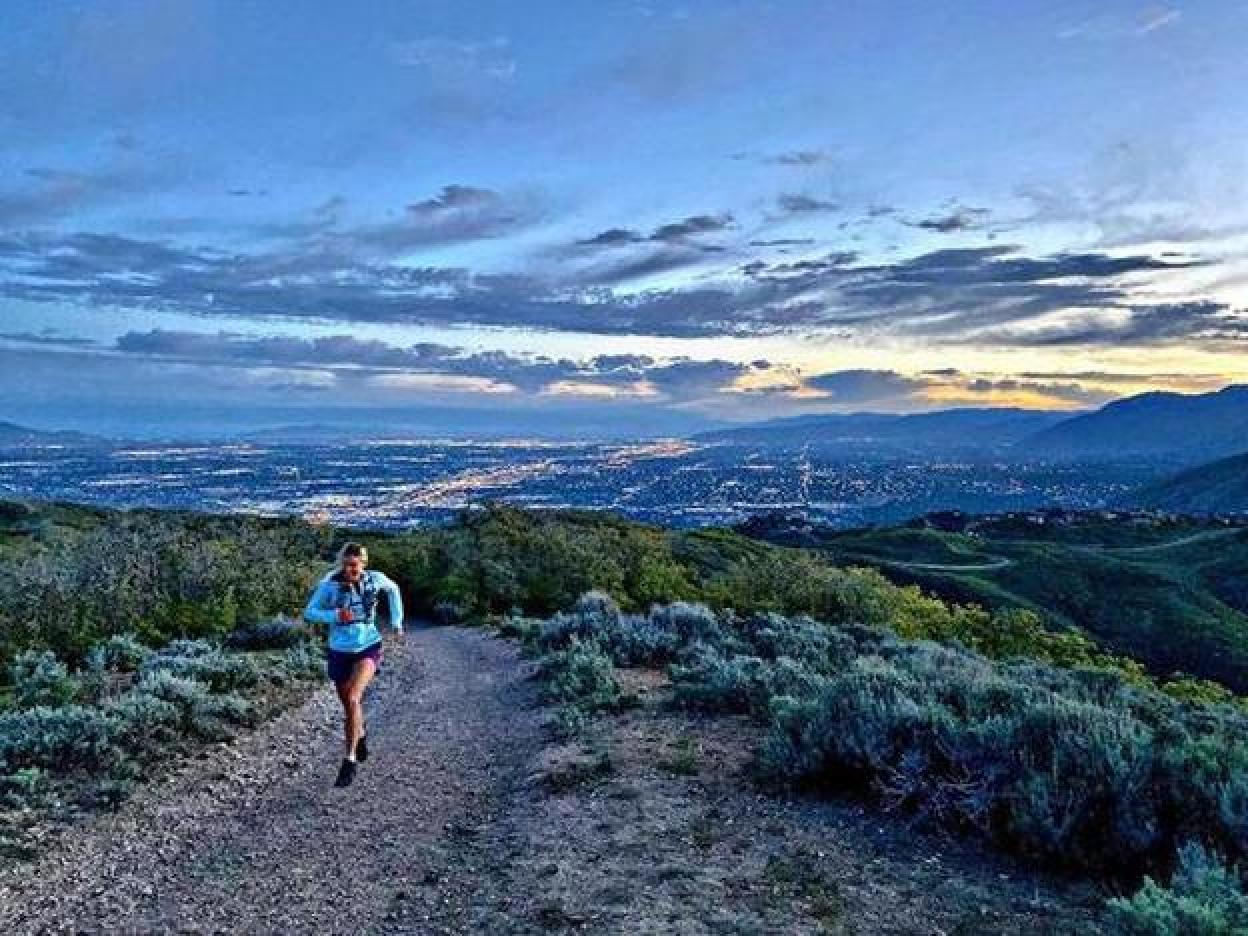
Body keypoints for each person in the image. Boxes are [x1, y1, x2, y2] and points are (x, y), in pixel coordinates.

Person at [302, 542, 404, 787]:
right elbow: (310, 612)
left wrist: (397, 621)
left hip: (368, 645)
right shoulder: (329, 585)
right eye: (346, 565)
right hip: (339, 650)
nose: (350, 570)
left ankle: (349, 761)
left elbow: (394, 589)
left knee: (354, 698)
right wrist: (334, 615)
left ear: (363, 564)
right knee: (348, 705)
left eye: (355, 565)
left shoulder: (375, 579)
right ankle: (361, 733)